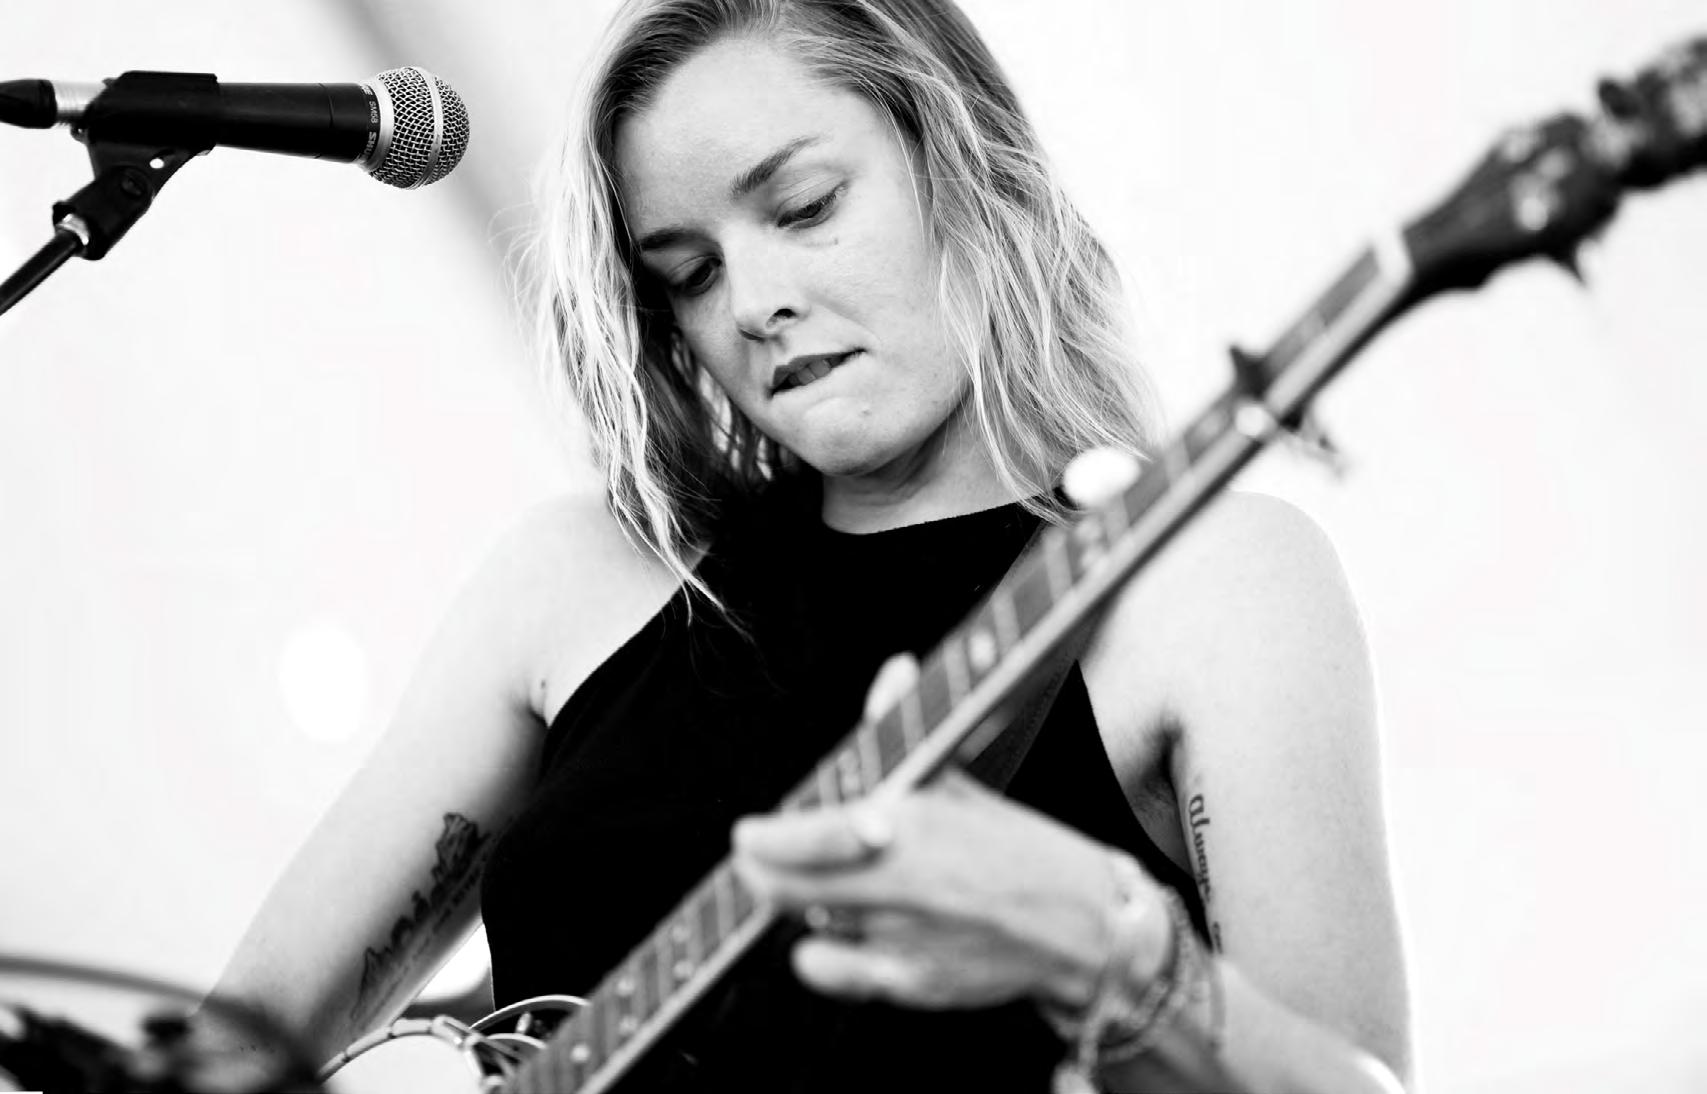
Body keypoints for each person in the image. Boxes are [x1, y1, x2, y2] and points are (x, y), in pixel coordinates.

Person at [205, 1, 1411, 1090]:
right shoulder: (578, 582)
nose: (749, 303)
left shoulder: (1204, 582)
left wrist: (1110, 947)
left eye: (805, 207)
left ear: (964, 158)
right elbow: (233, 1044)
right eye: (689, 273)